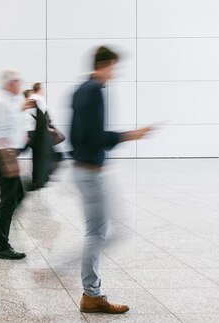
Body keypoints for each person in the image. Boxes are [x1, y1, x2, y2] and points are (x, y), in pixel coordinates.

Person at [70, 46, 151, 313]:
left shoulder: (80, 90)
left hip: (84, 168)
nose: (115, 73)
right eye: (114, 67)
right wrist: (131, 135)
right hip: (91, 172)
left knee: (99, 231)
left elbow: (76, 135)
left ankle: (90, 291)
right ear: (105, 64)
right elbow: (96, 136)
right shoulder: (94, 92)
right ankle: (90, 294)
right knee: (98, 233)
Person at [0, 70, 35, 260]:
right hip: (4, 155)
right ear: (9, 83)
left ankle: (2, 236)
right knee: (9, 200)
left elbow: (11, 120)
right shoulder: (0, 102)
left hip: (9, 154)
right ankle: (1, 246)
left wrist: (22, 108)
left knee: (14, 197)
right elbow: (0, 132)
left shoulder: (9, 100)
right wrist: (9, 161)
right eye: (16, 82)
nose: (20, 84)